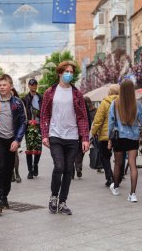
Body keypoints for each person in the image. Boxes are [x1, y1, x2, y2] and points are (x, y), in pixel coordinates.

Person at [40, 61, 90, 215]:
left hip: (72, 137)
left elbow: (82, 117)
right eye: (66, 71)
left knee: (68, 170)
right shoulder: (50, 92)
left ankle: (62, 202)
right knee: (59, 166)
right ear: (60, 73)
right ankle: (54, 196)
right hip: (56, 135)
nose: (69, 74)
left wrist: (85, 138)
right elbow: (44, 115)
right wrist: (45, 134)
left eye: (71, 72)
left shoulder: (77, 93)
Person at [108, 80, 142, 202]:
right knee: (132, 164)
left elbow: (110, 123)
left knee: (117, 163)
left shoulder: (115, 103)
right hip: (133, 137)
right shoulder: (137, 104)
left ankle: (115, 188)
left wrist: (109, 139)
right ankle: (132, 194)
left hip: (119, 137)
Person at [0, 74, 26, 216]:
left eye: (4, 85)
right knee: (0, 167)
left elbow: (23, 123)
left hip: (12, 140)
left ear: (11, 86)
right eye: (0, 85)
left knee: (9, 170)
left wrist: (17, 140)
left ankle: (5, 195)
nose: (2, 87)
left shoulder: (17, 103)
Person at [91, 85, 120, 186]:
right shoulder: (123, 102)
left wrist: (93, 132)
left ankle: (110, 178)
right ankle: (118, 178)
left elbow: (98, 120)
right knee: (119, 157)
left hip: (105, 135)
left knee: (105, 157)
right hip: (120, 134)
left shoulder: (105, 102)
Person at [22, 78, 43, 179]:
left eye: (34, 84)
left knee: (38, 148)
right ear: (28, 86)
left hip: (39, 126)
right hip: (29, 126)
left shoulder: (41, 97)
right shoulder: (25, 98)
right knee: (29, 149)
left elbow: (45, 112)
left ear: (37, 85)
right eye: (31, 85)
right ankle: (30, 171)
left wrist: (39, 114)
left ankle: (36, 165)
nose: (33, 86)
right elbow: (23, 113)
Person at [72, 96, 98, 179]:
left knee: (71, 150)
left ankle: (71, 171)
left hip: (72, 131)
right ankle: (78, 165)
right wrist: (88, 130)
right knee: (81, 149)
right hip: (82, 130)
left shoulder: (71, 103)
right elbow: (87, 119)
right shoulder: (83, 104)